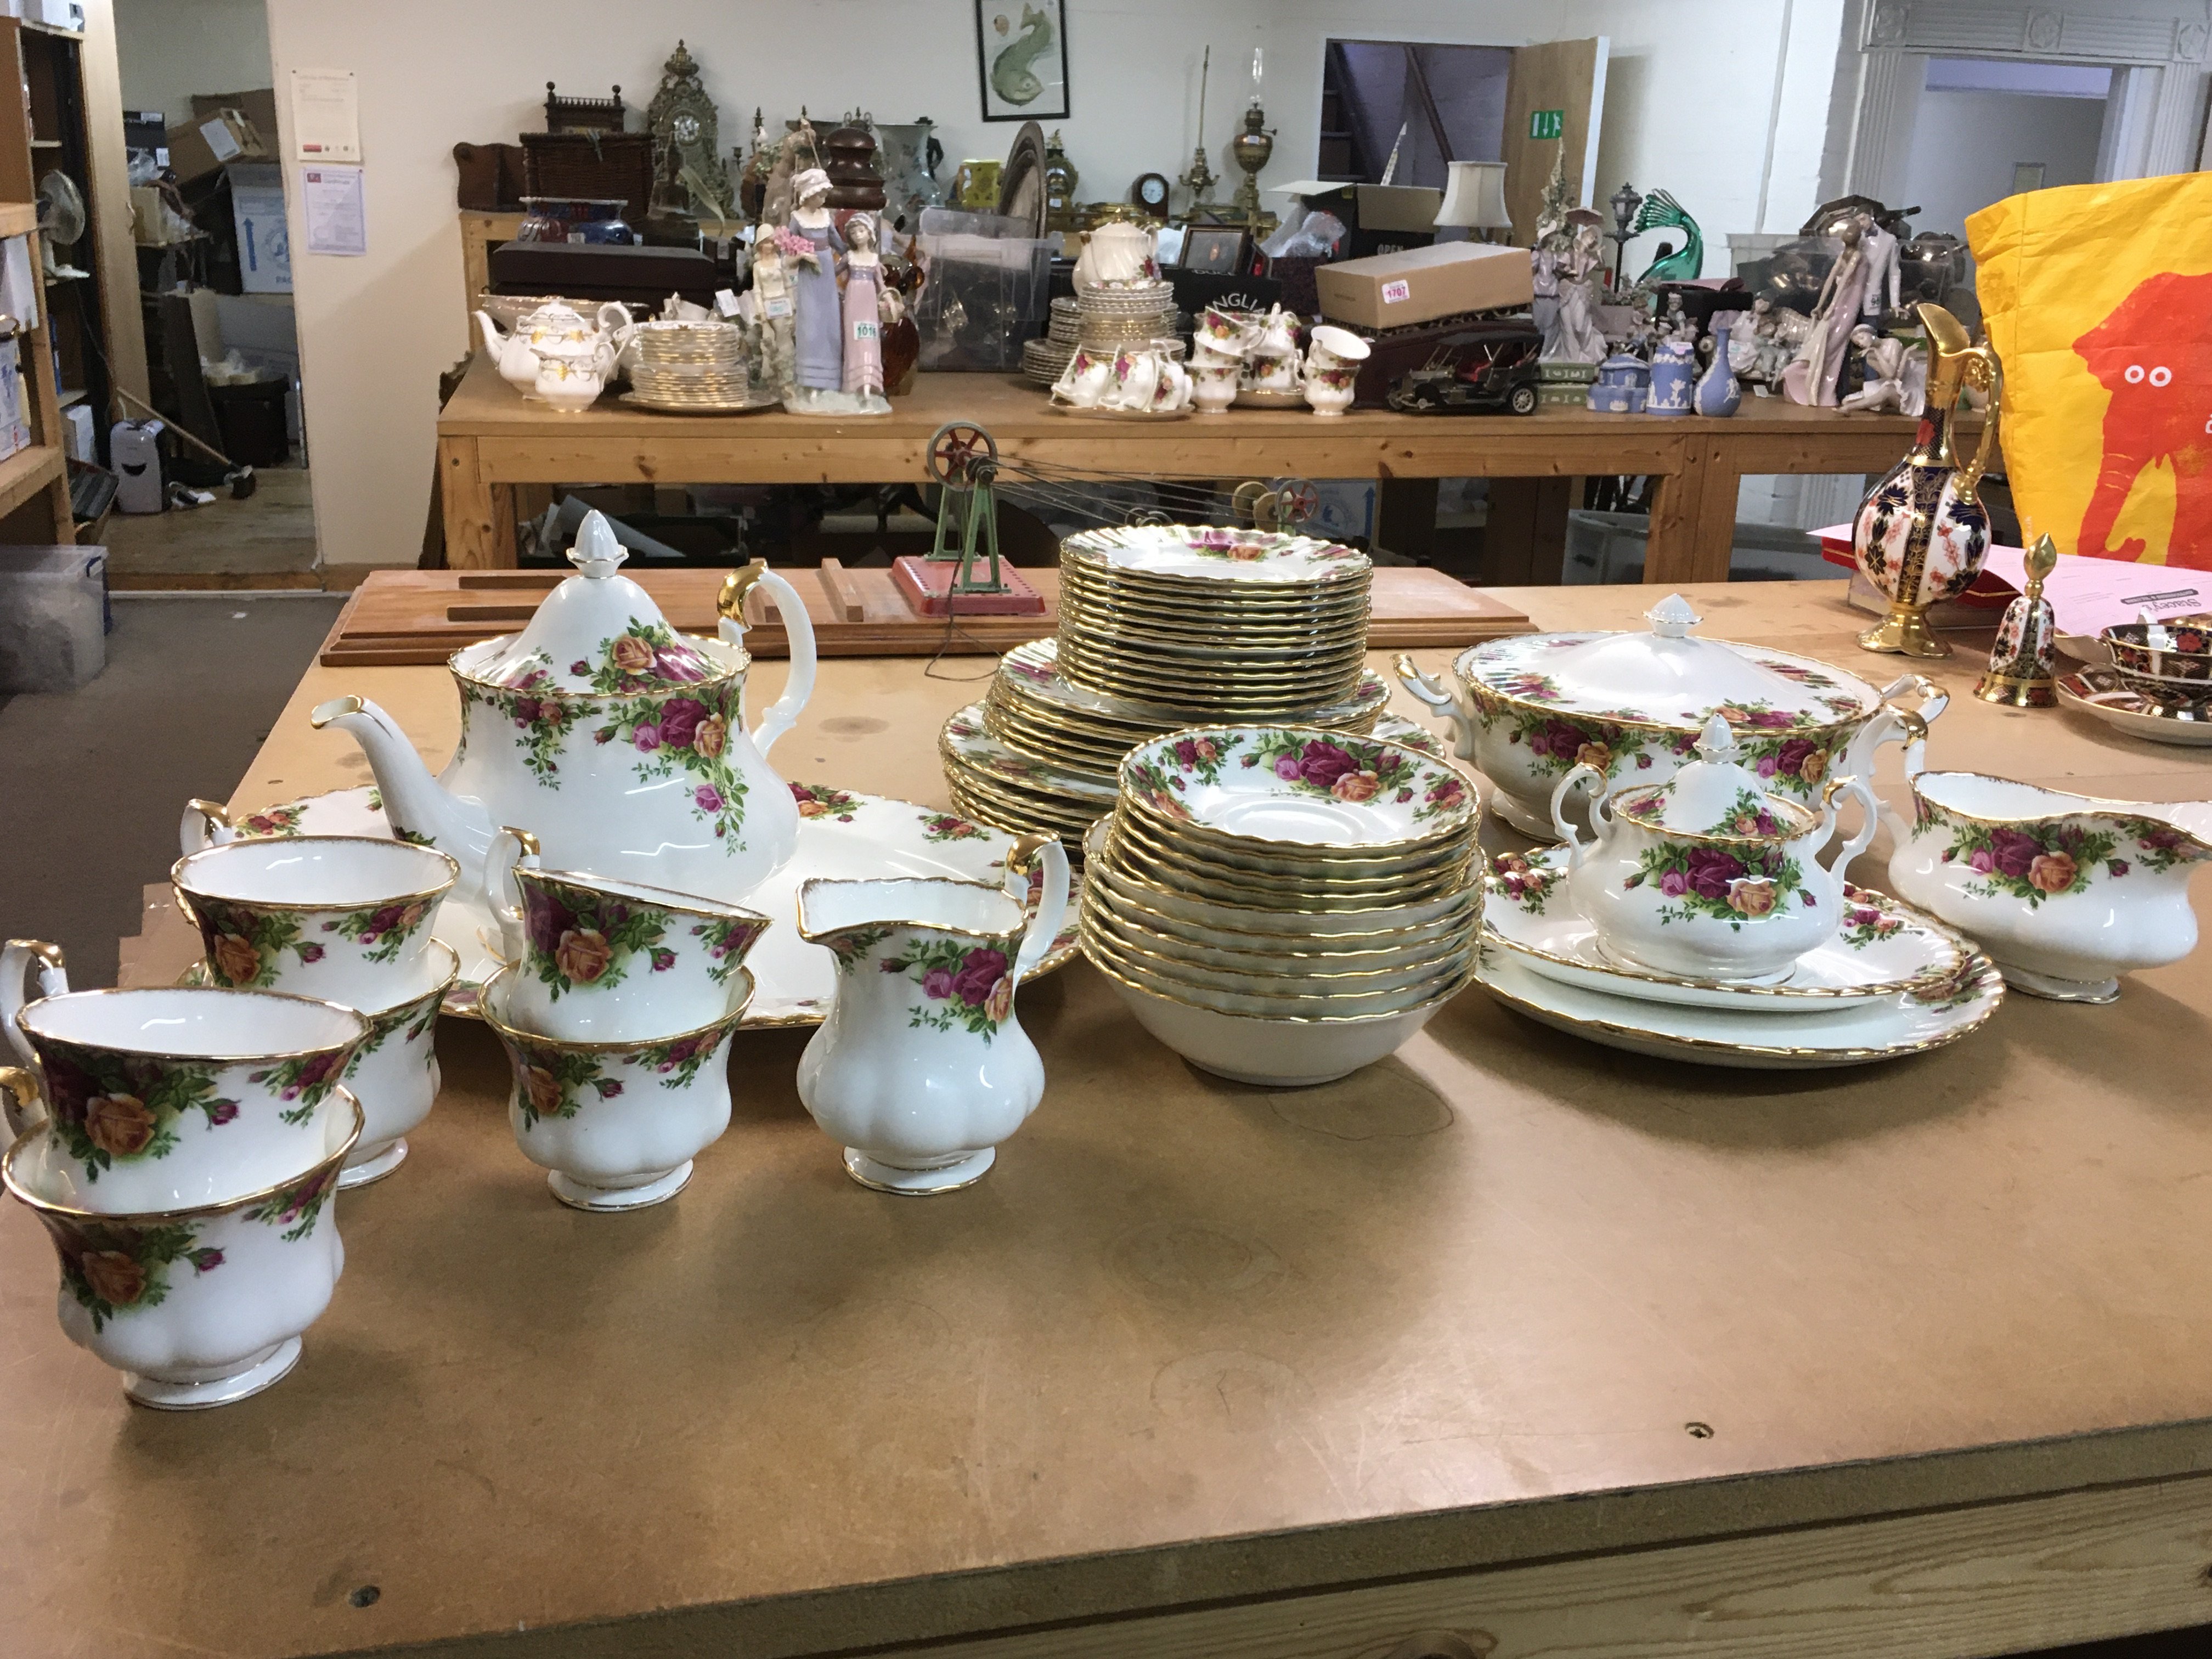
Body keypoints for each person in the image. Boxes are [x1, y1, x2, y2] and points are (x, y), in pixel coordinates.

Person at [786, 168, 845, 397]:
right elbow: (787, 253)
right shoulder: (797, 219)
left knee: (829, 321)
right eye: (820, 195)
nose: (823, 199)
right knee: (810, 323)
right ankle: (809, 378)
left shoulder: (825, 217)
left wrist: (853, 255)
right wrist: (801, 256)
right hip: (809, 275)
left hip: (827, 274)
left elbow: (839, 244)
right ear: (808, 195)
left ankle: (829, 379)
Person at [841, 213, 886, 400]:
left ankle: (869, 381)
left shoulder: (874, 260)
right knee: (854, 341)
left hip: (868, 302)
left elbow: (882, 286)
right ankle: (853, 384)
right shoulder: (849, 257)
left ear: (869, 233)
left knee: (869, 340)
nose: (858, 235)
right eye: (853, 232)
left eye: (861, 231)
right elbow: (831, 273)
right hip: (853, 301)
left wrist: (888, 300)